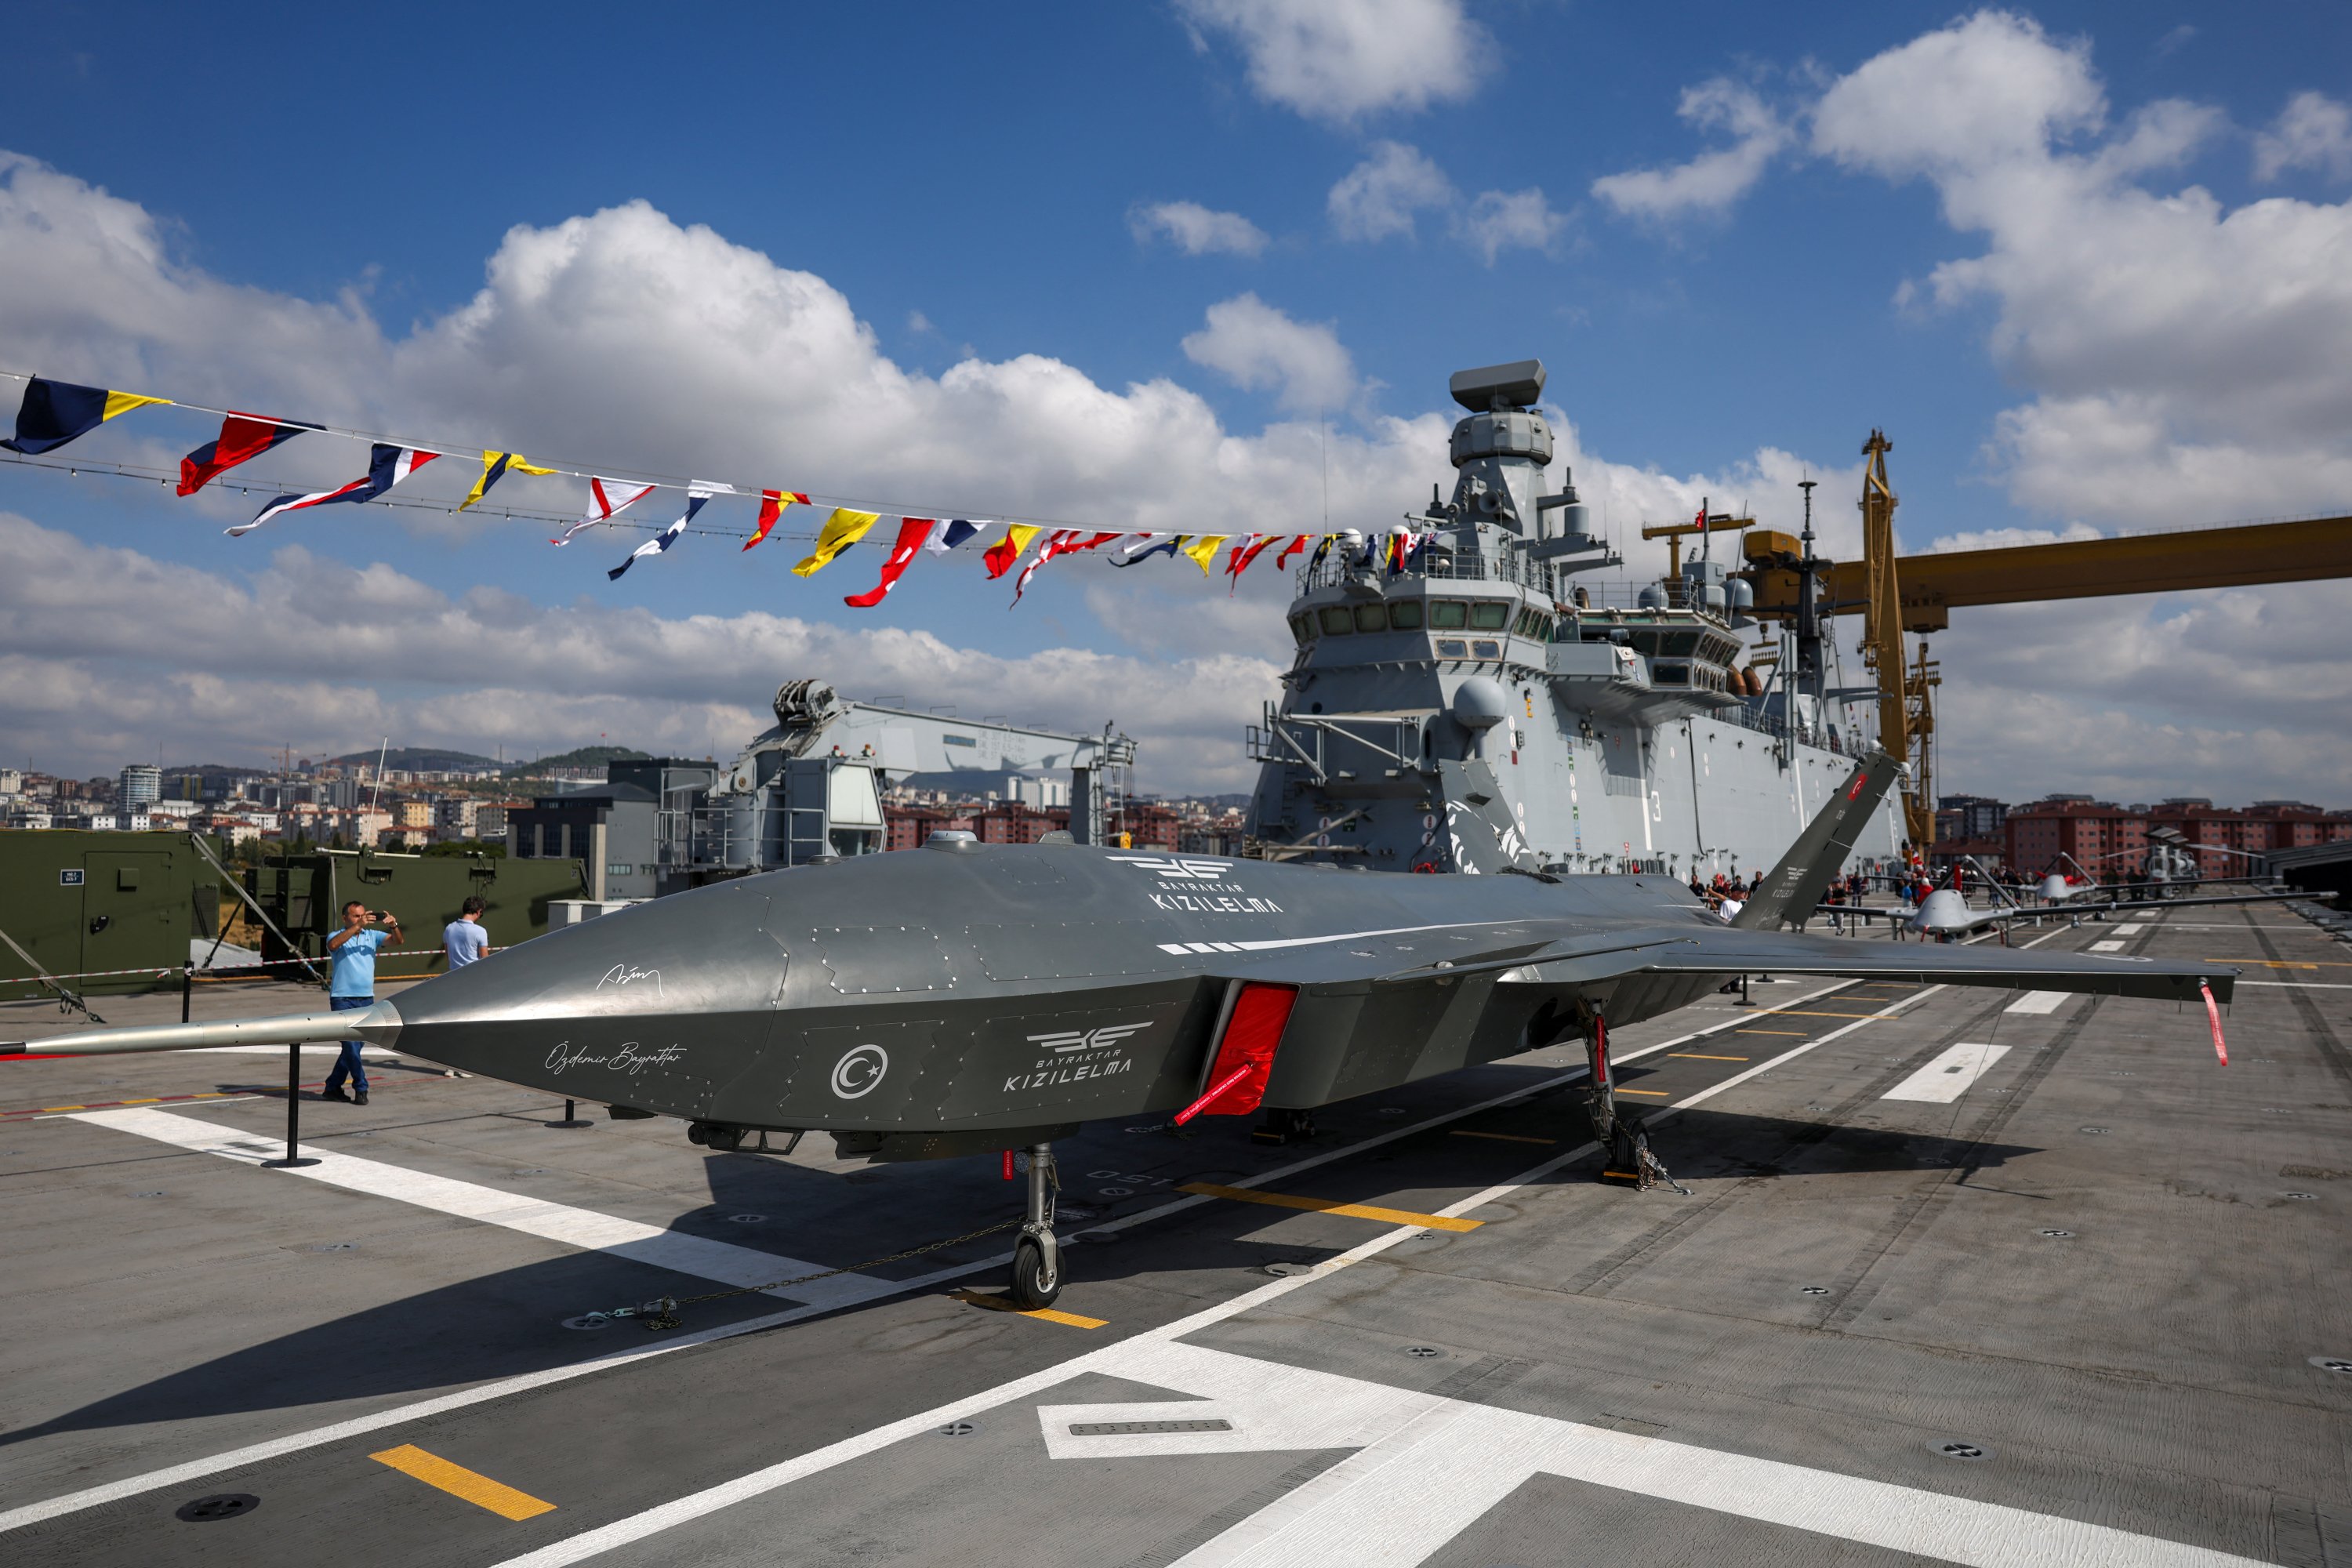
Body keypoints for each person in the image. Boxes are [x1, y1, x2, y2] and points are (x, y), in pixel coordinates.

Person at [323, 899, 401, 1105]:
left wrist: (393, 925)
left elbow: (397, 941)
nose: (361, 918)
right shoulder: (337, 936)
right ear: (345, 918)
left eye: (362, 915)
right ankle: (361, 1086)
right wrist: (358, 926)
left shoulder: (372, 936)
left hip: (366, 998)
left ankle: (332, 1087)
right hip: (342, 999)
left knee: (355, 1047)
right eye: (356, 916)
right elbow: (333, 945)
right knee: (350, 1045)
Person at [437, 897, 489, 1078]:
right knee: (469, 1025)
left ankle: (449, 1066)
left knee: (452, 1023)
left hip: (452, 979)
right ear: (479, 912)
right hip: (472, 982)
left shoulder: (449, 929)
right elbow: (485, 960)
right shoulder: (480, 931)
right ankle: (464, 1066)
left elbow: (447, 954)